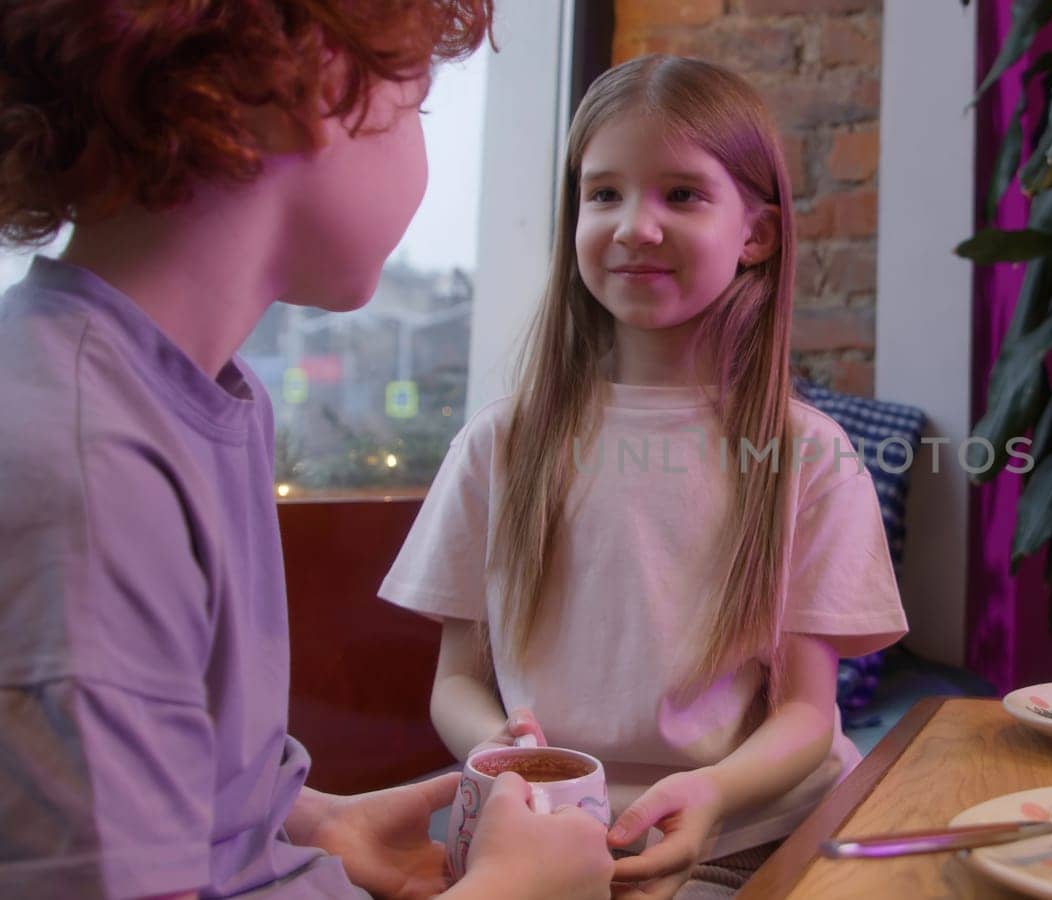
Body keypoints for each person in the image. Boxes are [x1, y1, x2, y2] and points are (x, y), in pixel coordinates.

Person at [0, 2, 614, 898]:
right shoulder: (89, 465)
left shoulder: (198, 398)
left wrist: (312, 821)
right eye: (417, 107)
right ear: (314, 80)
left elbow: (170, 790)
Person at [379, 54, 909, 899]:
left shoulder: (808, 456)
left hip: (748, 835)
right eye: (604, 194)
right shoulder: (500, 444)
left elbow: (808, 716)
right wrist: (505, 758)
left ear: (757, 235)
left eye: (682, 194)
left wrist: (712, 794)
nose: (635, 226)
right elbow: (456, 685)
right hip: (537, 838)